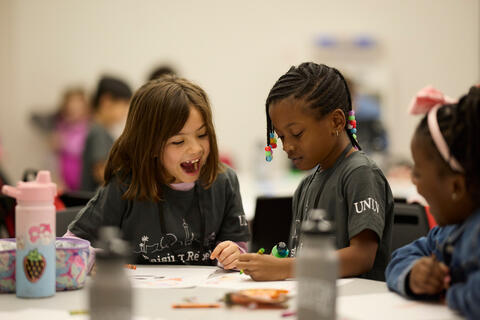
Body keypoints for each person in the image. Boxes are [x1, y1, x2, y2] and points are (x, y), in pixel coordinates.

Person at [68, 75, 250, 270]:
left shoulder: (224, 181)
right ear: (151, 145)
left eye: (202, 135)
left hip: (202, 298)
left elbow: (239, 248)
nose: (196, 148)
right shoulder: (126, 184)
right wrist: (100, 259)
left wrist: (233, 254)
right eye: (178, 141)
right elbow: (69, 247)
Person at [237, 62, 394, 281]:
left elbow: (361, 257)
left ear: (336, 121)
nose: (287, 146)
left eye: (297, 133)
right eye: (281, 136)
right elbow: (298, 256)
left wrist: (284, 269)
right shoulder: (306, 185)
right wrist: (266, 261)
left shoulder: (361, 174)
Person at [385, 86, 480, 319]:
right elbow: (401, 256)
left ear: (455, 186)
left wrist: (447, 290)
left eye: (417, 173)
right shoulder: (448, 231)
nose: (413, 182)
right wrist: (414, 274)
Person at [80, 76, 132, 191]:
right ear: (106, 101)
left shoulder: (101, 130)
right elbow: (102, 173)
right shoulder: (98, 132)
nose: (126, 111)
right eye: (124, 105)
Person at [51, 87, 91, 191]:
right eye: (71, 104)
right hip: (62, 183)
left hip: (82, 183)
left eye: (78, 104)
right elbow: (54, 159)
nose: (74, 107)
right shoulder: (60, 127)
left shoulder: (90, 128)